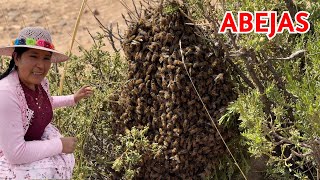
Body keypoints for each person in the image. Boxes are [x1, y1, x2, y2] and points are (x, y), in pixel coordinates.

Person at [0, 27, 93, 179]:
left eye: (46, 58)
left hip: (30, 147)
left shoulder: (41, 83)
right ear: (17, 58)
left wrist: (73, 98)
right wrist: (60, 145)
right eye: (33, 56)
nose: (41, 65)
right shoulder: (6, 93)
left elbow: (40, 105)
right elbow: (15, 154)